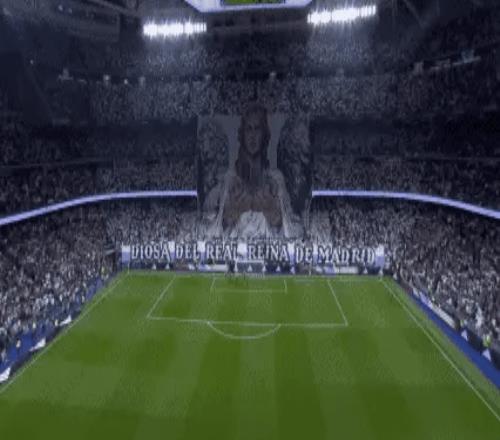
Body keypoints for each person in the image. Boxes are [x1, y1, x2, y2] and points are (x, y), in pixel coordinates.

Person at [202, 104, 302, 239]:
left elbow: (297, 231)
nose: (253, 135)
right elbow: (204, 231)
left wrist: (275, 217)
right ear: (242, 134)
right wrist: (227, 217)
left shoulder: (276, 179)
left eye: (257, 129)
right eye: (249, 129)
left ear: (264, 134)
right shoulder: (228, 179)